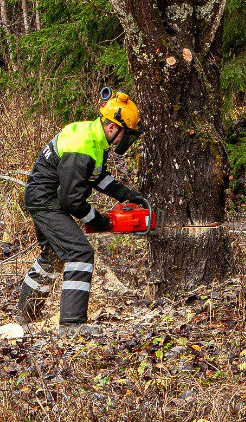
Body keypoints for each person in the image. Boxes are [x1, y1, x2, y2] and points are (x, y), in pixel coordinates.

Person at [17, 90, 148, 335]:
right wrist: (99, 221)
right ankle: (72, 325)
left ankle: (26, 318)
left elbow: (96, 176)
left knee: (54, 255)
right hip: (47, 201)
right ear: (112, 127)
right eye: (124, 136)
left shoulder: (93, 138)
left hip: (46, 197)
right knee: (80, 252)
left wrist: (126, 195)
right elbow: (70, 201)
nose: (123, 142)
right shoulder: (84, 146)